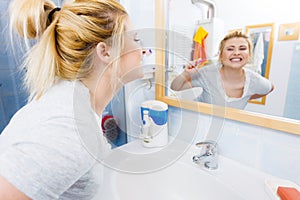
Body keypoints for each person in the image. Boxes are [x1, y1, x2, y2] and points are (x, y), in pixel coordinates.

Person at [0, 0, 144, 199]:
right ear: (105, 52)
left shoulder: (72, 104)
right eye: (136, 39)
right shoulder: (70, 130)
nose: (142, 50)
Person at [171, 31, 274, 109]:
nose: (236, 53)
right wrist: (186, 73)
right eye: (230, 49)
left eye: (242, 48)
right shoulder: (208, 73)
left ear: (249, 55)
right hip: (198, 120)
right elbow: (175, 87)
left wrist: (248, 96)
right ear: (221, 55)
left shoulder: (254, 80)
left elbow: (270, 88)